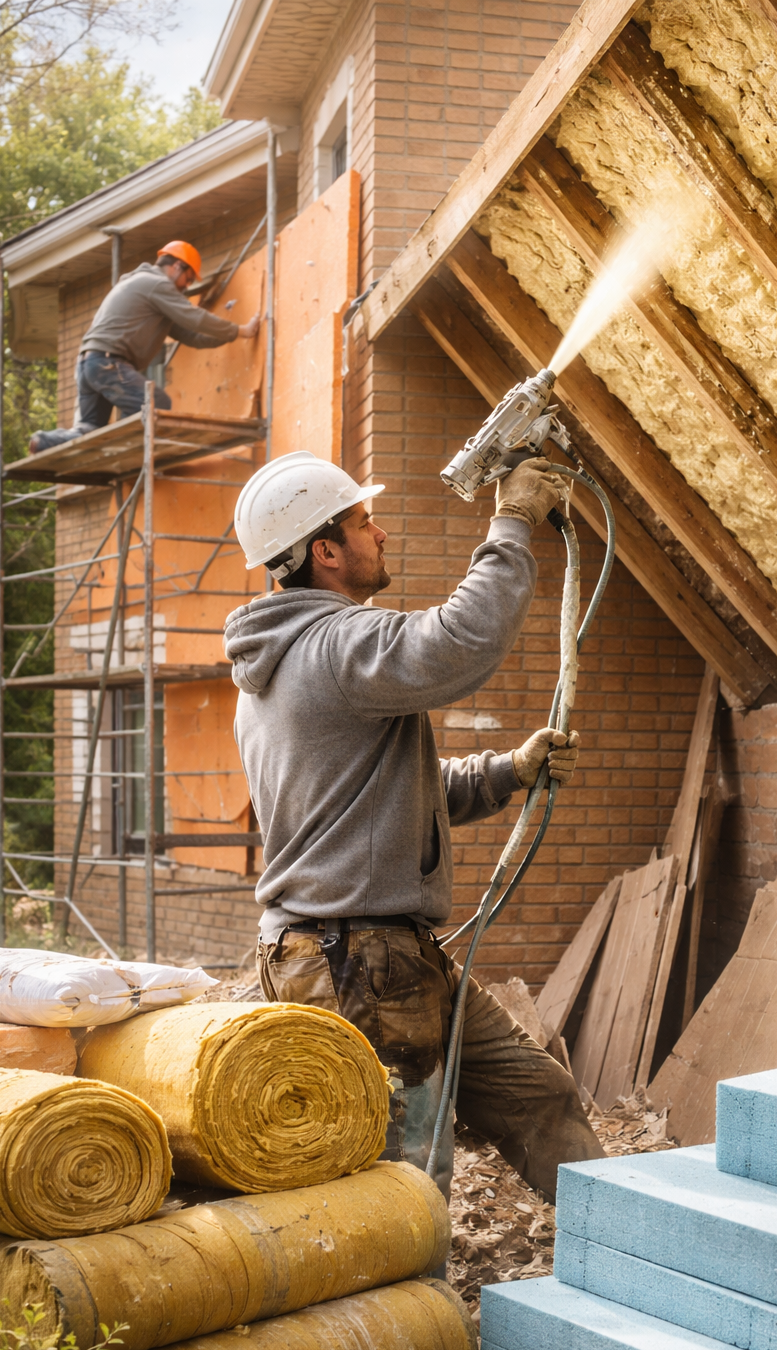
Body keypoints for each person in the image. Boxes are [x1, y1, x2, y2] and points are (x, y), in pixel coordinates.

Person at [224, 450, 606, 1202]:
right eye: (364, 522)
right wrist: (512, 520)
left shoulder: (297, 662)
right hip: (359, 962)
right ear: (325, 552)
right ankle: (409, 1320)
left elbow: (392, 796)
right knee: (403, 1183)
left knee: (537, 1096)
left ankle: (631, 1255)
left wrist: (508, 771)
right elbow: (458, 643)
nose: (383, 533)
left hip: (380, 955)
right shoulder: (334, 647)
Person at [28, 241, 260, 453]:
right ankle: (129, 452)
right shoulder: (156, 284)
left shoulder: (143, 288)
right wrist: (241, 330)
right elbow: (195, 318)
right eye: (188, 279)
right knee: (157, 405)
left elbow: (191, 336)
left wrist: (231, 337)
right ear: (177, 266)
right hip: (108, 362)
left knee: (89, 429)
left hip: (89, 364)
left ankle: (45, 441)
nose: (187, 287)